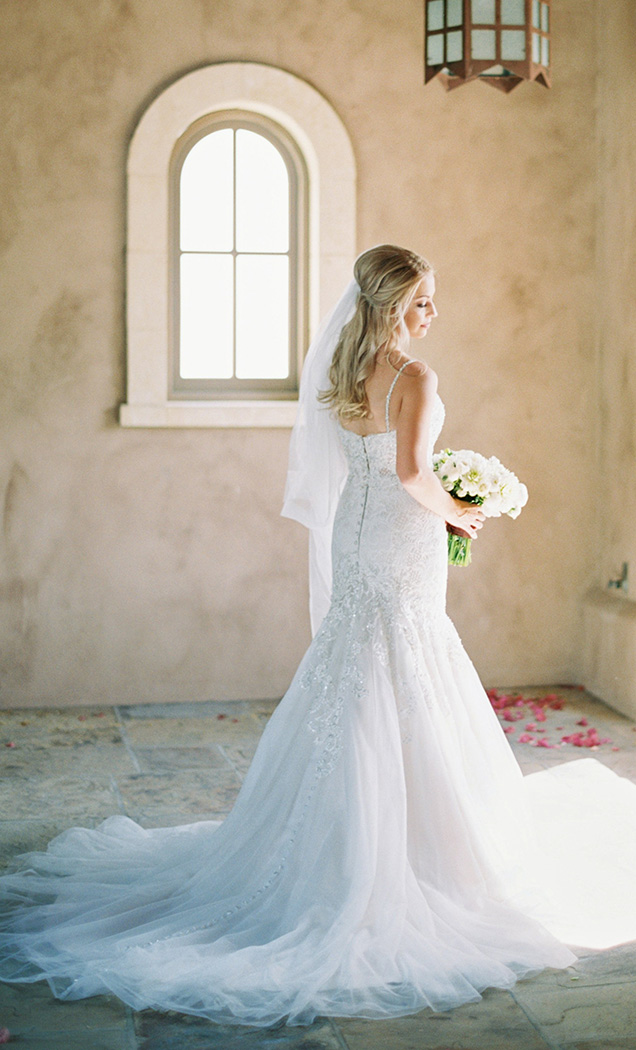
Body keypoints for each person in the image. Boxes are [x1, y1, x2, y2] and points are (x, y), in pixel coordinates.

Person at [0, 245, 576, 1027]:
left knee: (362, 667)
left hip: (356, 535)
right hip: (401, 536)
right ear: (390, 303)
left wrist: (442, 494)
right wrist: (461, 508)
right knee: (403, 663)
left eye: (433, 301)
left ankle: (360, 841)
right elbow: (412, 474)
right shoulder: (416, 379)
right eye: (421, 302)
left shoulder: (345, 368)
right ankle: (412, 860)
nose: (432, 314)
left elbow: (371, 467)